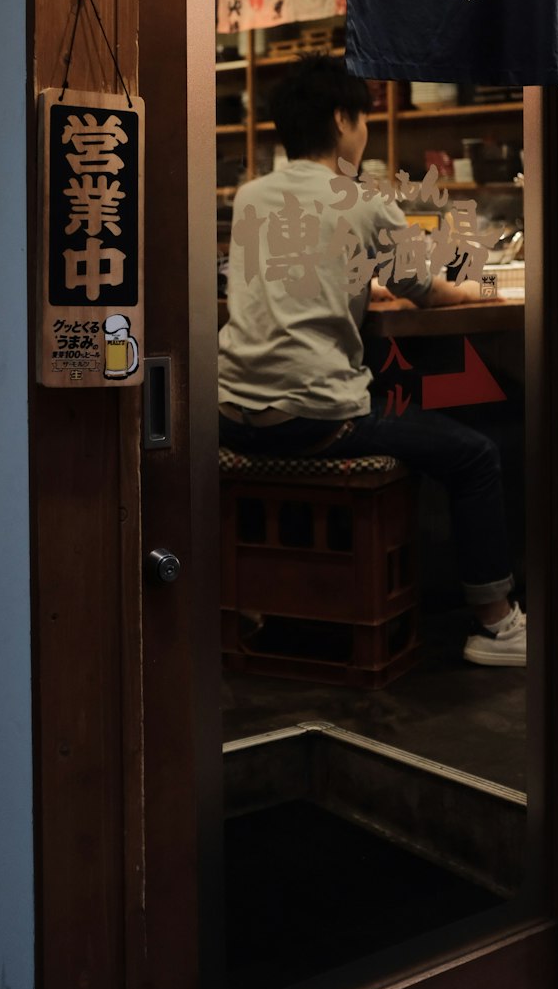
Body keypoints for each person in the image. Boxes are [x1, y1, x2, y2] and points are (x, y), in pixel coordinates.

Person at [218, 57, 525, 666]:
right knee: (477, 455)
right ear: (341, 120)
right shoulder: (361, 200)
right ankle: (497, 624)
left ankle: (264, 599)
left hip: (232, 409)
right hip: (317, 417)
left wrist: (353, 288)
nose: (364, 134)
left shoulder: (250, 195)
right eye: (360, 120)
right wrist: (485, 288)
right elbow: (430, 291)